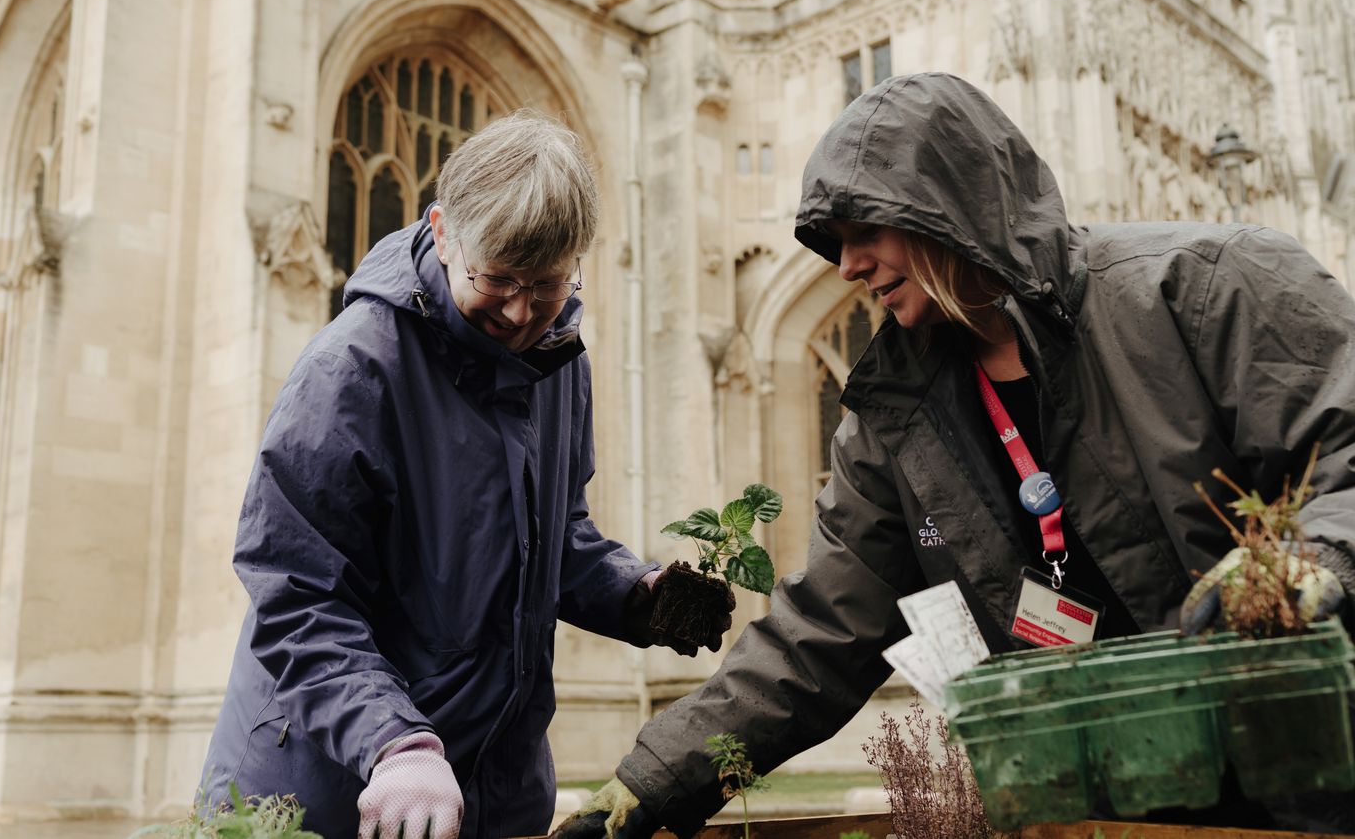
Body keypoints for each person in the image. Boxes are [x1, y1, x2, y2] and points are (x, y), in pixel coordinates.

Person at [554, 72, 1355, 838]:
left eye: (866, 231)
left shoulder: (1212, 284)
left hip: (1307, 773)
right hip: (1100, 799)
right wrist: (651, 782)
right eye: (835, 242)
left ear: (953, 210)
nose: (848, 265)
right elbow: (824, 632)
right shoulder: (892, 414)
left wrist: (1315, 557)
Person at [196, 110, 730, 839]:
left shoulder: (560, 363)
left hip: (491, 784)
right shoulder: (351, 371)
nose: (519, 312)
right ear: (444, 233)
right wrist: (396, 744)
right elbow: (296, 596)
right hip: (333, 789)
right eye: (498, 280)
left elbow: (556, 538)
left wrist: (639, 596)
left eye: (545, 285)